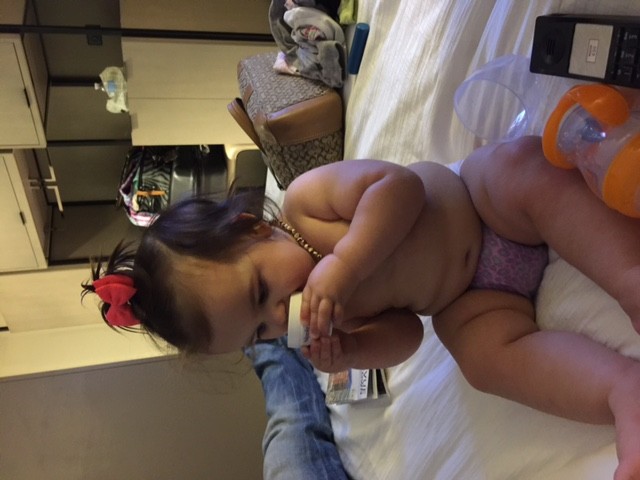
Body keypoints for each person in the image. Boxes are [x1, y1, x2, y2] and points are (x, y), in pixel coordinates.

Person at [83, 136, 640, 479]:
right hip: (471, 300)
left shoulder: (306, 204)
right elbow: (409, 333)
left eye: (260, 293)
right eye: (259, 333)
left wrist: (346, 263)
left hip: (482, 206)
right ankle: (620, 391)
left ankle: (628, 280)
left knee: (520, 167)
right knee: (480, 359)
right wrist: (352, 349)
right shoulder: (333, 314)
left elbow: (400, 188)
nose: (279, 317)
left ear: (252, 228)